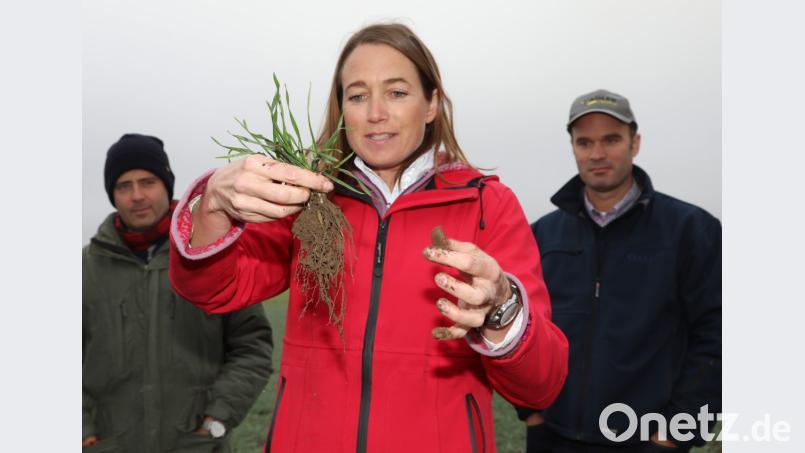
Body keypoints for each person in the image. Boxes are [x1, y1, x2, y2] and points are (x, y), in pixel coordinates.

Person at [168, 23, 569, 453]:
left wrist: (501, 307)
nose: (376, 112)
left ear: (431, 104)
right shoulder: (309, 198)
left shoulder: (486, 204)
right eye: (357, 96)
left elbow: (539, 387)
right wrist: (211, 205)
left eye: (397, 92)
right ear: (341, 110)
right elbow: (211, 288)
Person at [518, 89, 722, 452]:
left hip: (649, 441)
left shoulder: (692, 231)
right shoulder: (542, 235)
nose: (597, 154)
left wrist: (676, 435)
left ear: (635, 143)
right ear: (574, 148)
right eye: (584, 142)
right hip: (552, 437)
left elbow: (720, 338)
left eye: (611, 139)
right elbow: (524, 326)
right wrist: (531, 412)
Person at [83, 133, 274, 453]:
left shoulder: (211, 254)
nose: (137, 196)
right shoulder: (84, 269)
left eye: (148, 182)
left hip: (197, 446)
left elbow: (251, 347)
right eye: (123, 186)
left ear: (167, 185)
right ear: (112, 194)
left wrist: (215, 421)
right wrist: (83, 430)